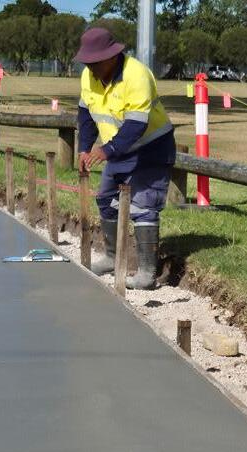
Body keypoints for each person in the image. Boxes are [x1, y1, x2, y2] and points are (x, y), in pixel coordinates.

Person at [74, 27, 175, 291]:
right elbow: (86, 114)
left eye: (94, 62)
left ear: (111, 57)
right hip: (119, 150)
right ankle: (111, 257)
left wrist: (106, 150)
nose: (90, 68)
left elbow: (136, 125)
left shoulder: (137, 75)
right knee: (106, 200)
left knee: (144, 207)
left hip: (151, 148)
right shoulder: (89, 76)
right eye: (87, 63)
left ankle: (147, 273)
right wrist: (84, 148)